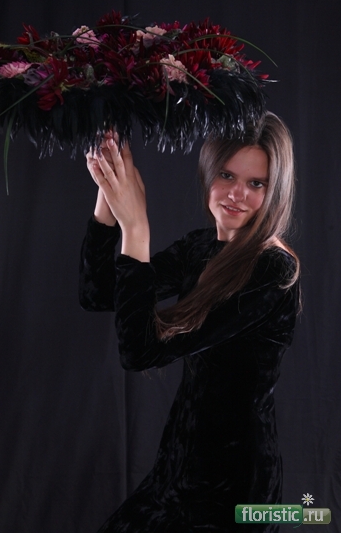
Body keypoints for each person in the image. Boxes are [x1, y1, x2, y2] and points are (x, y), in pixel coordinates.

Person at [79, 112, 300, 532]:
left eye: (256, 184)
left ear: (276, 192)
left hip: (235, 484)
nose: (236, 194)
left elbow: (139, 352)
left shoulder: (273, 271)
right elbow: (99, 293)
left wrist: (136, 227)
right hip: (180, 464)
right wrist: (110, 195)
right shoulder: (198, 248)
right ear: (208, 171)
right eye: (226, 175)